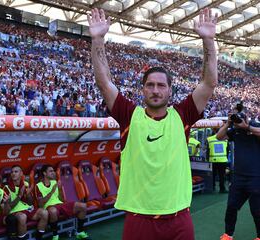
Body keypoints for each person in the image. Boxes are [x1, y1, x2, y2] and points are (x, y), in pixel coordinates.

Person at [87, 7, 218, 240]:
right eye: (150, 85)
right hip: (139, 219)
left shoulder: (183, 115)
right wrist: (98, 40)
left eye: (161, 85)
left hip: (179, 218)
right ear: (143, 89)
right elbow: (104, 82)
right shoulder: (129, 115)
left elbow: (209, 83)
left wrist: (208, 41)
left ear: (170, 90)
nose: (155, 90)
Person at [216, 113, 260, 240]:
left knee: (257, 210)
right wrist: (228, 124)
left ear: (246, 118)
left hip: (255, 177)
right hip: (239, 178)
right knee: (231, 207)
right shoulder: (234, 131)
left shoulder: (254, 126)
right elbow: (219, 137)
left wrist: (247, 127)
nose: (238, 121)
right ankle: (228, 234)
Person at [35, 165, 90, 240]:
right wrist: (52, 191)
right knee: (53, 211)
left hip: (60, 204)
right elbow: (40, 204)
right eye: (50, 171)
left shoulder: (55, 182)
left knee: (83, 206)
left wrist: (60, 189)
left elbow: (61, 199)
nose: (53, 173)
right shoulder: (38, 186)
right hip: (49, 207)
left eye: (53, 171)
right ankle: (55, 236)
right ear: (44, 173)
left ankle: (80, 232)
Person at [4, 165, 48, 240]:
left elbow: (30, 203)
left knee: (44, 212)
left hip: (27, 209)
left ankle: (39, 237)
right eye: (12, 172)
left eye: (16, 171)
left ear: (21, 173)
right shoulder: (6, 188)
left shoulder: (25, 184)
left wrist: (28, 195)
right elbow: (9, 206)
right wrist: (20, 195)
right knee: (22, 217)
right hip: (15, 211)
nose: (13, 174)